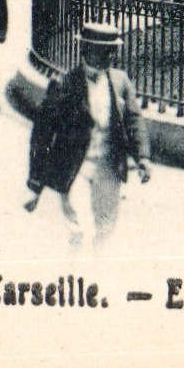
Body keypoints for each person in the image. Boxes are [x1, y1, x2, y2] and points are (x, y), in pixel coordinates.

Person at [25, 21, 151, 251]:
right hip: (75, 167)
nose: (109, 56)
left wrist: (143, 158)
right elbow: (42, 134)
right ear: (86, 49)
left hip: (109, 166)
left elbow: (134, 121)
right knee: (79, 228)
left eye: (112, 50)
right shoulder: (65, 84)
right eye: (103, 50)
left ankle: (100, 273)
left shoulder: (120, 81)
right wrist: (35, 183)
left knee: (106, 229)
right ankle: (76, 273)